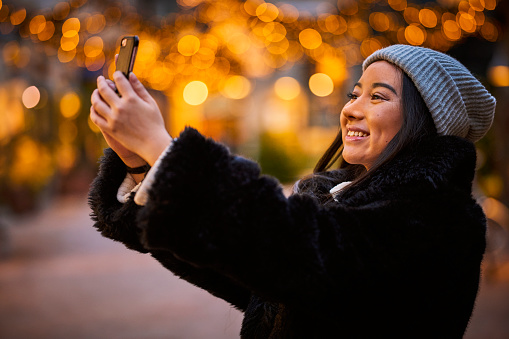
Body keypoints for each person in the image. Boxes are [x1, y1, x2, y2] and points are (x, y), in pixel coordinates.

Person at [88, 44, 496, 338]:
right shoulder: (341, 196)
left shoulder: (438, 215)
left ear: (424, 122)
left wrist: (165, 151)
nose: (353, 108)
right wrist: (141, 165)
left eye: (378, 97)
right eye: (355, 93)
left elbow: (298, 250)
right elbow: (255, 268)